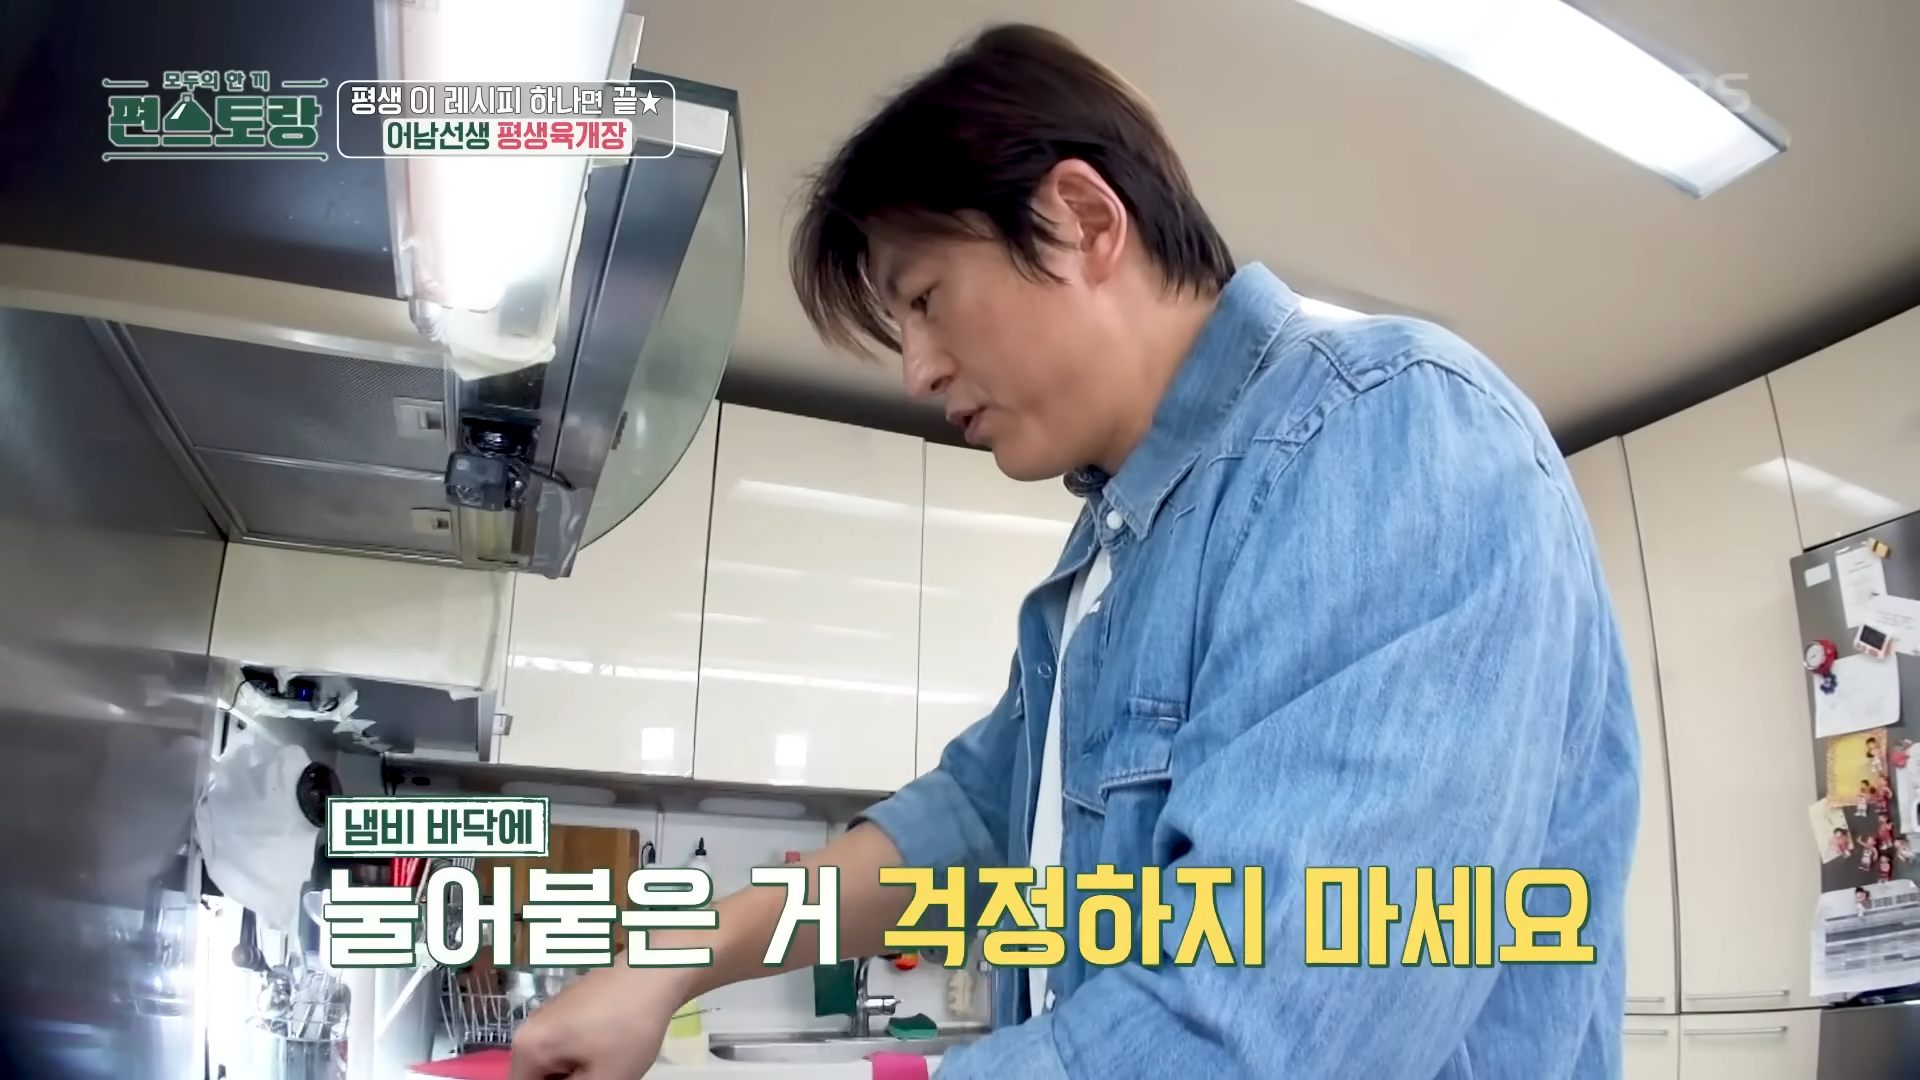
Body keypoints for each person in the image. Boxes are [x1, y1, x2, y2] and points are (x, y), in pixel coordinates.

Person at [509, 23, 1639, 1080]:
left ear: (1085, 222)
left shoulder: (1387, 433)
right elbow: (966, 821)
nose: (918, 370)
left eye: (926, 299)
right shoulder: (1109, 556)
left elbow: (1259, 1022)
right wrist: (667, 963)